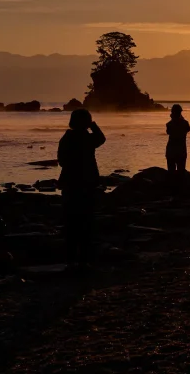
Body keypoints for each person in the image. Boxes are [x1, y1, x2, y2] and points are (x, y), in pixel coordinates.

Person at [57, 108, 106, 269]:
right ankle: (84, 259)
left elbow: (62, 160)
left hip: (71, 184)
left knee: (71, 223)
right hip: (87, 183)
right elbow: (101, 138)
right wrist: (93, 125)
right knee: (86, 222)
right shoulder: (87, 138)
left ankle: (71, 259)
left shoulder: (67, 138)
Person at [166, 104, 190, 175]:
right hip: (181, 150)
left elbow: (168, 131)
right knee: (181, 172)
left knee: (171, 172)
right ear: (180, 112)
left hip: (171, 150)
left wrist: (173, 119)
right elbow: (188, 129)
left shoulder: (169, 124)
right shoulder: (185, 123)